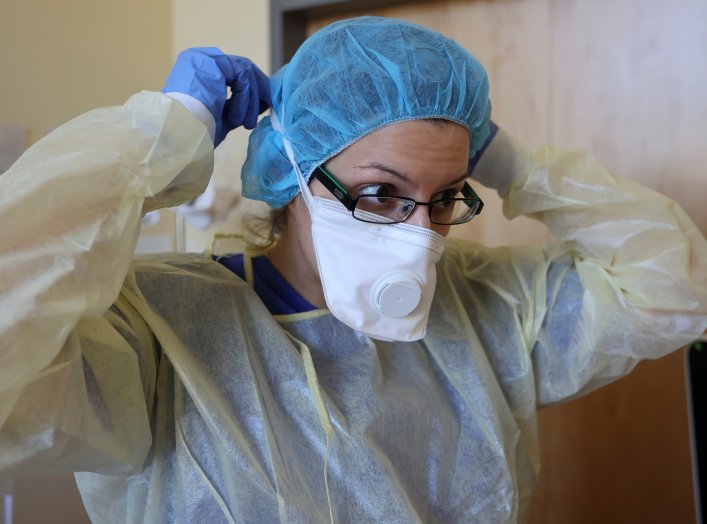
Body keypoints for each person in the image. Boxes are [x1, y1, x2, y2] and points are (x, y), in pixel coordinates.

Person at [0, 15, 705, 524]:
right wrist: (161, 137)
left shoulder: (485, 308)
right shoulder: (161, 338)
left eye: (445, 197)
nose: (417, 235)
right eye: (379, 194)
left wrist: (513, 166)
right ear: (293, 171)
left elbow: (674, 285)